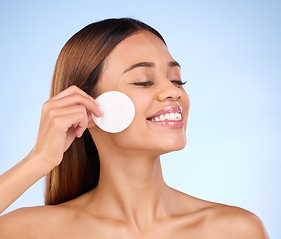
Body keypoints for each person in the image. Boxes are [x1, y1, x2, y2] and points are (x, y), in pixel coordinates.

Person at [0, 18, 269, 238]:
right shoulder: (32, 231)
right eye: (143, 81)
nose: (172, 91)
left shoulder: (236, 230)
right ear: (86, 107)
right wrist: (38, 160)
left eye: (176, 79)